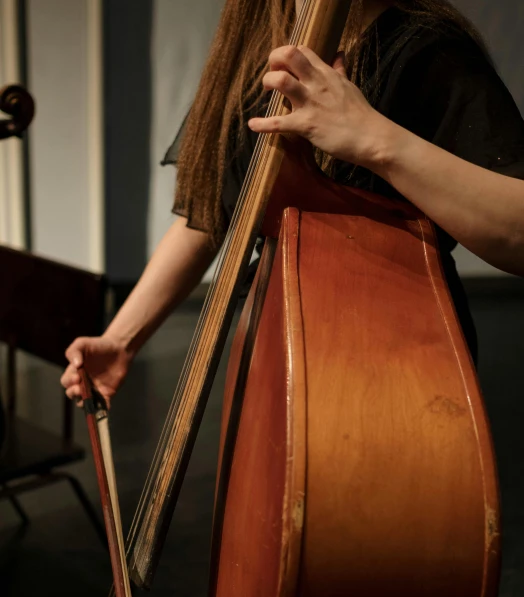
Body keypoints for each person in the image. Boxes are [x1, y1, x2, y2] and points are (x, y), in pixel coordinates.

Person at [61, 0, 524, 405]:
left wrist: (377, 141)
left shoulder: (429, 50)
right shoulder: (254, 53)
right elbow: (209, 215)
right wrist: (120, 340)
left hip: (398, 361)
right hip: (275, 347)